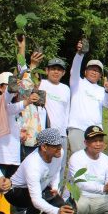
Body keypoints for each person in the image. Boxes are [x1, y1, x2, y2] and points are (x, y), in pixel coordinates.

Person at [5, 128, 74, 214]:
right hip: (15, 192)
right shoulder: (33, 164)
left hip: (39, 187)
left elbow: (56, 170)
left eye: (60, 145)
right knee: (36, 202)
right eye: (56, 146)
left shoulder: (59, 153)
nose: (60, 148)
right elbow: (36, 200)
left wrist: (54, 186)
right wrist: (57, 212)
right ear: (44, 147)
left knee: (58, 202)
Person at [67, 39, 108, 156]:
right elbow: (74, 69)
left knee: (94, 163)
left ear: (100, 75)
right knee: (79, 161)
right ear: (85, 71)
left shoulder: (102, 90)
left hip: (95, 131)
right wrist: (80, 54)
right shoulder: (77, 83)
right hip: (78, 128)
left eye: (97, 71)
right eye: (92, 69)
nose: (94, 72)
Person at [0, 71, 40, 178]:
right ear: (0, 87)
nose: (15, 89)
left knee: (10, 192)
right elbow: (6, 104)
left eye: (17, 86)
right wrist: (26, 101)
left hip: (14, 157)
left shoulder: (14, 105)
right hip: (1, 157)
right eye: (10, 85)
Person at [36, 55, 71, 185]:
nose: (56, 72)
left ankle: (56, 196)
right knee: (42, 167)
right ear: (47, 70)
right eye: (53, 69)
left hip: (61, 134)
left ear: (63, 73)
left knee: (59, 168)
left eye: (59, 69)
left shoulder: (66, 89)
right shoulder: (40, 84)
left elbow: (67, 111)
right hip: (44, 133)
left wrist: (66, 132)